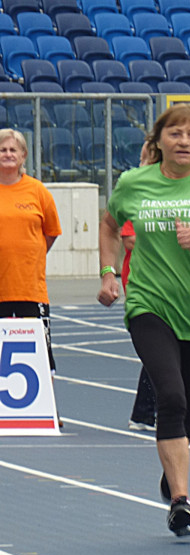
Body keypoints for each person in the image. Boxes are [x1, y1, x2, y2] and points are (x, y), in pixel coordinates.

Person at [98, 103, 190, 537]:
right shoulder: (134, 183)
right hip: (149, 305)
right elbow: (109, 226)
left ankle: (172, 466)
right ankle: (180, 501)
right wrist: (109, 273)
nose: (184, 141)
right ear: (159, 140)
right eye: (175, 133)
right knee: (171, 396)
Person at [0, 128, 62, 420]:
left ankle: (48, 410)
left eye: (13, 150)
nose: (7, 154)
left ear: (23, 155)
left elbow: (51, 233)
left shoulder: (38, 191)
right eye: (2, 150)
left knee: (42, 352)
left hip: (30, 288)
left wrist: (29, 256)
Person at [119, 140, 157, 432]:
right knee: (158, 345)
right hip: (142, 279)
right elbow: (129, 238)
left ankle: (149, 411)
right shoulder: (136, 192)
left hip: (174, 280)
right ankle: (144, 412)